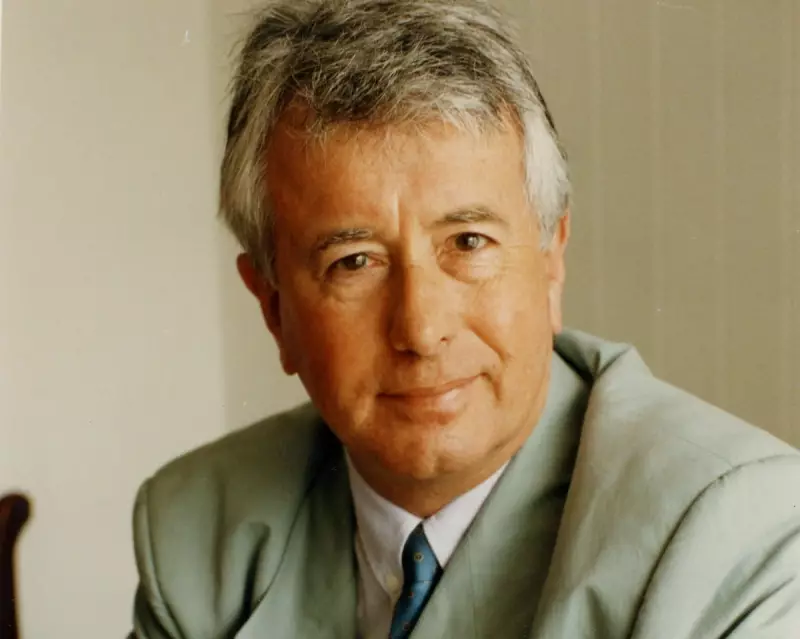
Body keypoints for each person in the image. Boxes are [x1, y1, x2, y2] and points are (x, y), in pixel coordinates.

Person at [128, 1, 800, 637]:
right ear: (273, 307)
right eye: (354, 262)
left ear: (551, 261)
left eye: (469, 242)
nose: (421, 330)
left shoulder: (733, 529)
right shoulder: (195, 531)